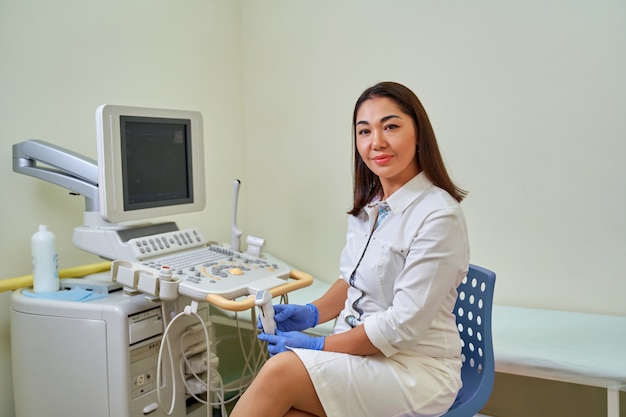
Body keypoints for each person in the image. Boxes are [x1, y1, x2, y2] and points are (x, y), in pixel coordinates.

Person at [230, 81, 470, 417]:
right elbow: (352, 281)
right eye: (364, 131)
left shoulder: (438, 216)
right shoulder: (370, 207)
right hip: (361, 355)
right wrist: (310, 314)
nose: (377, 142)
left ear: (419, 135)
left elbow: (400, 327)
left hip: (413, 370)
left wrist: (317, 344)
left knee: (280, 373)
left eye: (391, 126)